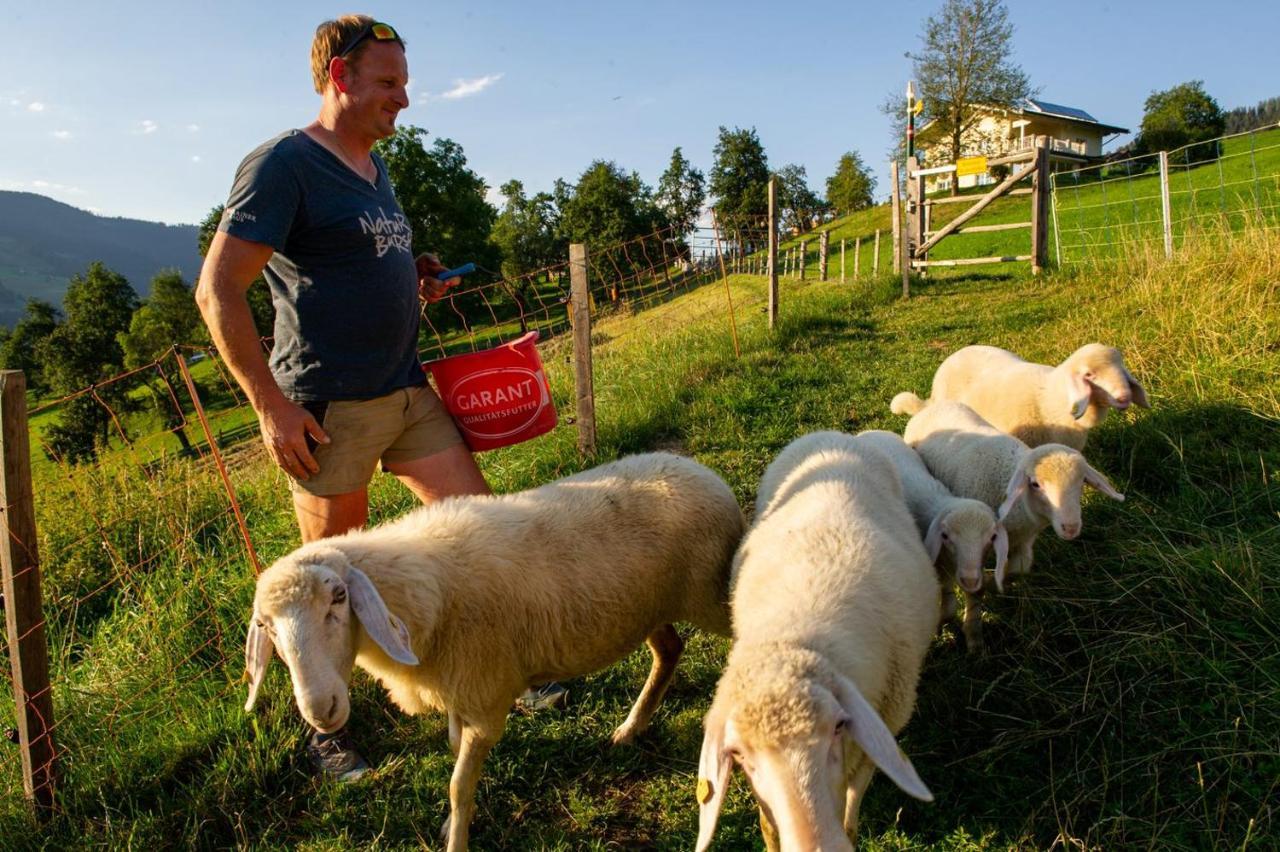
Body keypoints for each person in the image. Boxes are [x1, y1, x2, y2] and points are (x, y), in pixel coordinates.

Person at [196, 15, 563, 783]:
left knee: (483, 530)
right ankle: (327, 734)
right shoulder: (284, 165)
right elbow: (218, 290)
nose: (405, 98)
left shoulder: (373, 169)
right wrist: (269, 406)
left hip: (405, 389)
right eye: (389, 82)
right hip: (330, 408)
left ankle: (508, 673)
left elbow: (353, 260)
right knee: (323, 587)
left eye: (404, 81)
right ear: (341, 78)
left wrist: (413, 273)